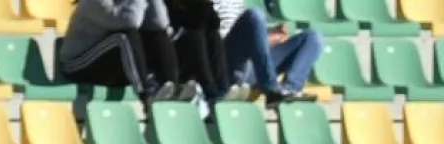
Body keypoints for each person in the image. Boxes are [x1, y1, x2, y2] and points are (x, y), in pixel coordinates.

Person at [59, 0, 195, 104]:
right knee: (124, 36)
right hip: (78, 67)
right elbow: (129, 22)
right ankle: (147, 93)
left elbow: (160, 24)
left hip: (109, 66)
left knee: (158, 34)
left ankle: (173, 87)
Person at [214, 0, 323, 105]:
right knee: (255, 14)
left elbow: (244, 32)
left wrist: (269, 34)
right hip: (225, 63)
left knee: (312, 38)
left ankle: (290, 89)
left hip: (252, 66)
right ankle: (272, 90)